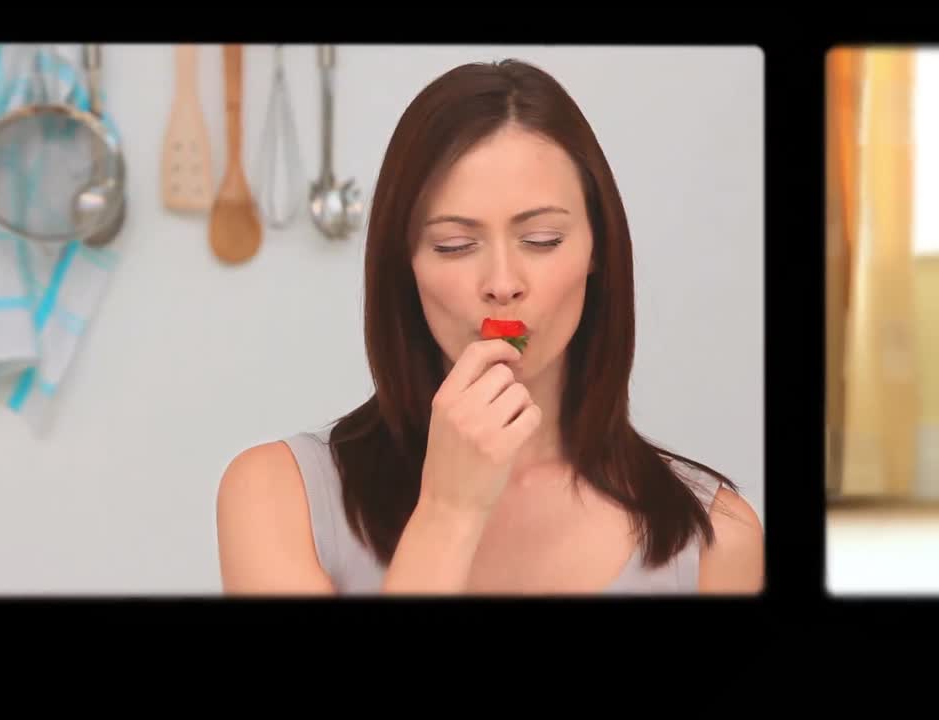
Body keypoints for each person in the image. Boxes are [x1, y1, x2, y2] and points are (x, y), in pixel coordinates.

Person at [215, 58, 764, 595]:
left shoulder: (716, 538)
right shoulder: (275, 497)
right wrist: (447, 514)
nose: (503, 283)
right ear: (404, 265)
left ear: (598, 248)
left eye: (543, 239)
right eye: (455, 245)